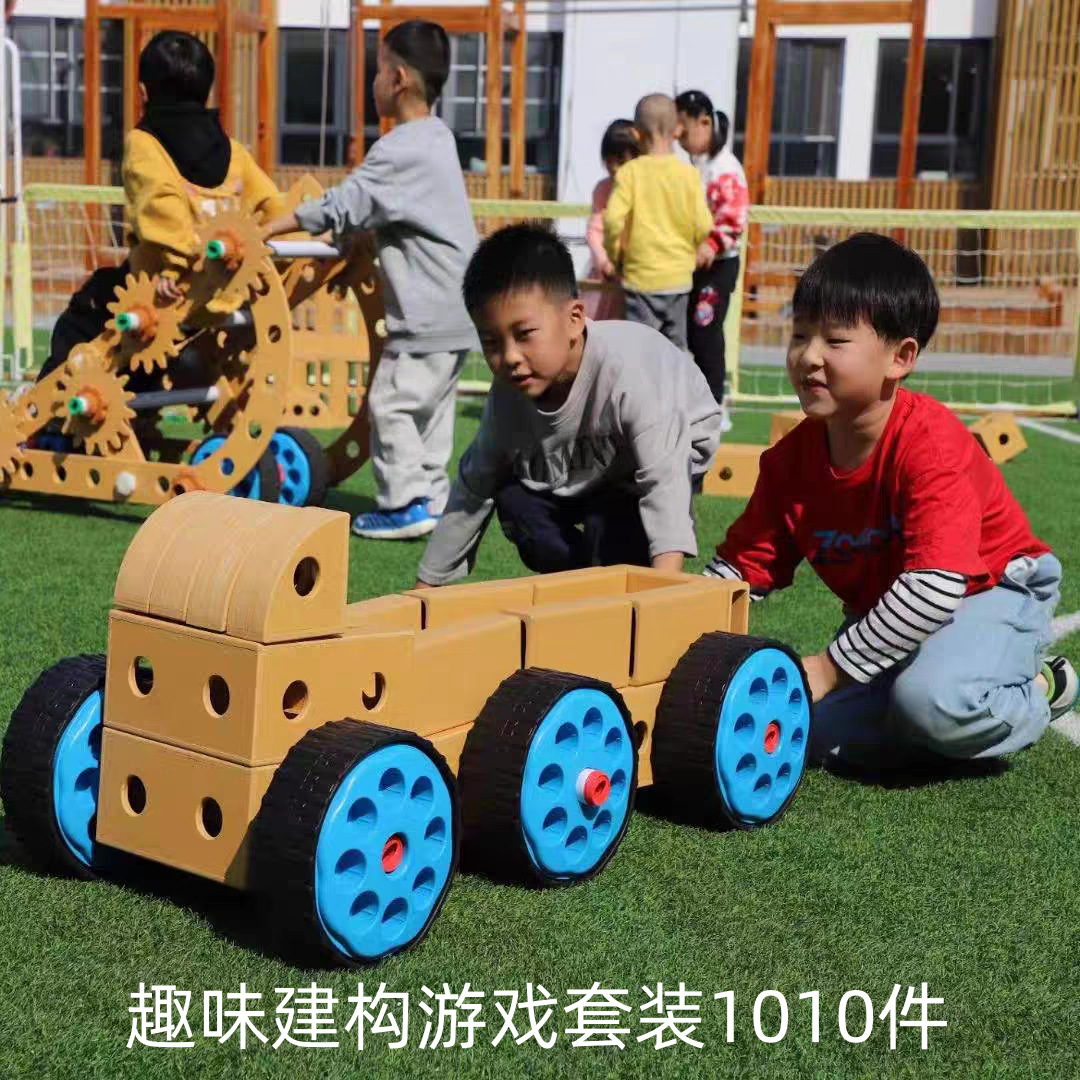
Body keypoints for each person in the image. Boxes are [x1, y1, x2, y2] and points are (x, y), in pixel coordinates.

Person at [705, 232, 1077, 768]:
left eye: (835, 341)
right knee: (810, 731)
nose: (808, 356)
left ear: (900, 358)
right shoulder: (789, 463)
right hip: (897, 607)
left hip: (989, 589)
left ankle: (1041, 687)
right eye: (800, 334)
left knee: (933, 704)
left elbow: (934, 588)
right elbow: (740, 571)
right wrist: (678, 623)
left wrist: (828, 669)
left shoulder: (931, 444)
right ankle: (918, 702)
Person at [414, 224, 724, 586]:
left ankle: (610, 561)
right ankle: (580, 582)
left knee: (610, 534)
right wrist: (425, 588)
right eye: (492, 343)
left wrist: (663, 592)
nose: (509, 357)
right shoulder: (509, 393)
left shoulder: (631, 375)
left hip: (660, 459)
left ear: (574, 319)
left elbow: (664, 482)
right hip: (585, 466)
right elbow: (473, 486)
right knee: (517, 503)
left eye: (524, 334)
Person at [264, 20, 478, 540]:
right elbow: (392, 211)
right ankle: (432, 498)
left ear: (398, 78)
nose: (372, 81)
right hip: (459, 305)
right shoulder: (437, 138)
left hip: (426, 309)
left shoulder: (400, 148)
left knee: (391, 402)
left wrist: (268, 228)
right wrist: (359, 238)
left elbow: (346, 203)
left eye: (377, 70)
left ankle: (403, 503)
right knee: (431, 410)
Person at [41, 30, 283, 384]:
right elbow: (272, 207)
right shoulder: (233, 151)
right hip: (226, 294)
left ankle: (48, 402)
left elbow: (161, 204)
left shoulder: (144, 142)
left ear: (143, 92)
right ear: (206, 91)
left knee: (87, 310)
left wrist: (176, 266)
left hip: (167, 292)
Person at [602, 93, 713, 350]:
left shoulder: (629, 174)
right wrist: (696, 246)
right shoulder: (688, 174)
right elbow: (703, 223)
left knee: (639, 351)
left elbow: (612, 221)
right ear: (677, 130)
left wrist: (616, 256)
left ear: (636, 134)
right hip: (678, 278)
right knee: (675, 352)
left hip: (639, 278)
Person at [676, 90, 748, 426]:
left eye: (683, 128)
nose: (679, 135)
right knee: (693, 334)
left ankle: (715, 406)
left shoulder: (724, 169)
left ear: (704, 123)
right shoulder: (697, 166)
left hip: (717, 265)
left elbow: (734, 217)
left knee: (706, 331)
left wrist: (711, 245)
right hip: (695, 265)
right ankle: (699, 401)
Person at [583, 119, 638, 321]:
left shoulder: (643, 190)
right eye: (609, 160)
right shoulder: (602, 189)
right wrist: (604, 262)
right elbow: (594, 230)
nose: (614, 167)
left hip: (634, 275)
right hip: (606, 275)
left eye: (621, 161)